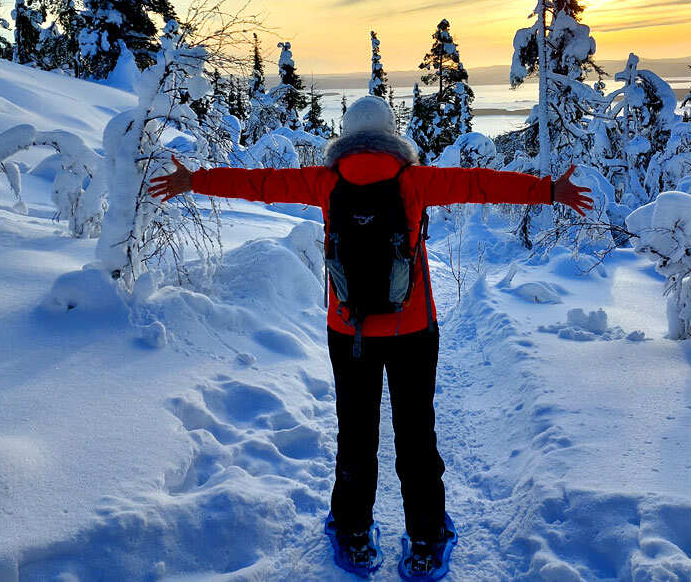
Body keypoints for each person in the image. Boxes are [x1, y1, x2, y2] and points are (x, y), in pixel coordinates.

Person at [148, 95, 592, 578]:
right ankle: (426, 539)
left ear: (346, 135)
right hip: (413, 328)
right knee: (416, 434)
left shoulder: (323, 180)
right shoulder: (415, 180)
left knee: (356, 434)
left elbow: (259, 184)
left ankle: (352, 533)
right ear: (390, 135)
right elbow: (480, 185)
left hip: (349, 329)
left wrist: (194, 180)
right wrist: (550, 190)